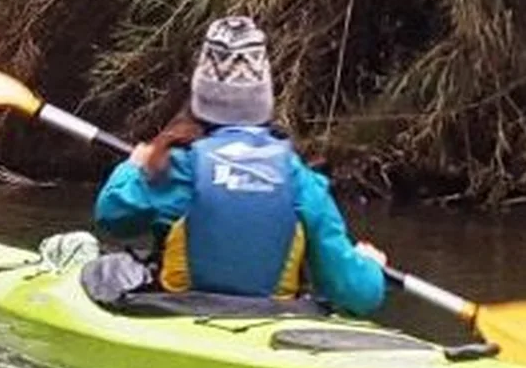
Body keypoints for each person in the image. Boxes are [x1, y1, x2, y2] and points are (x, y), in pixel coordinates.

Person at [93, 16, 388, 317]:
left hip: (181, 313)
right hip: (274, 319)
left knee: (99, 264)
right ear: (264, 100)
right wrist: (369, 267)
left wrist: (133, 167)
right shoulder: (300, 179)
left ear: (199, 99)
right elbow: (357, 294)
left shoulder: (179, 168)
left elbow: (112, 215)